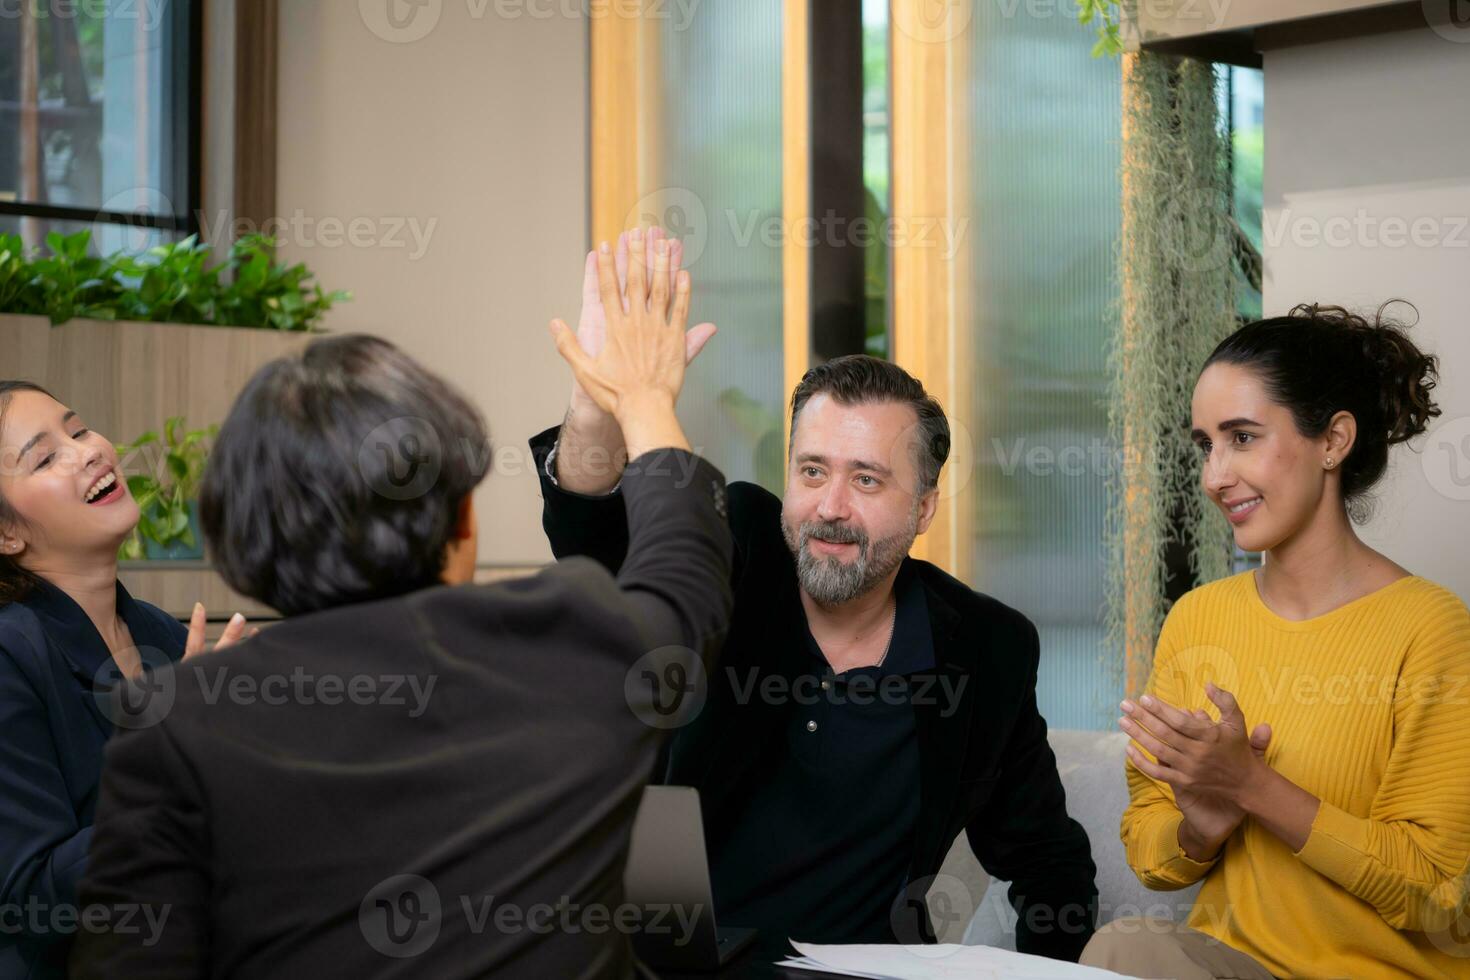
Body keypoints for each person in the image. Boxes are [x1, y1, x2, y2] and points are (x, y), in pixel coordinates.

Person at [69, 234, 734, 978]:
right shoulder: (571, 645)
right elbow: (687, 575)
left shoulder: (176, 729)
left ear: (246, 542)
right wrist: (642, 401)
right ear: (463, 523)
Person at [532, 229, 1099, 960]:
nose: (830, 505)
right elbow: (595, 540)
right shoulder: (735, 547)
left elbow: (1050, 866)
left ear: (924, 508)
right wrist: (593, 405)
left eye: (866, 479)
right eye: (810, 471)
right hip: (682, 967)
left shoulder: (985, 647)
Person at [1081, 303, 1470, 979]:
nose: (1213, 476)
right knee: (1126, 944)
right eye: (1206, 444)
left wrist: (1255, 786)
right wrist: (1202, 827)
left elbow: (1439, 893)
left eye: (1243, 438)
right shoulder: (1198, 619)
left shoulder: (1430, 629)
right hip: (1234, 965)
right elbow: (1150, 849)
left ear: (1333, 440)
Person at [0, 382, 249, 979]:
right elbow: (35, 903)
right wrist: (174, 755)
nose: (88, 451)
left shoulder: (161, 634)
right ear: (7, 535)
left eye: (80, 429)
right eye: (44, 456)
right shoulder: (10, 655)